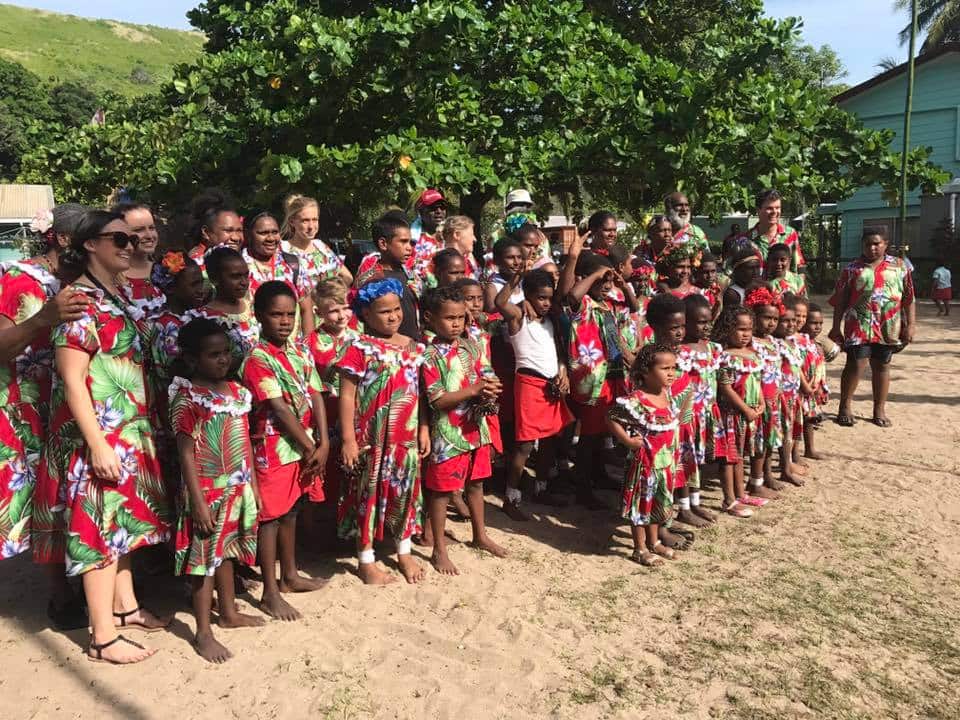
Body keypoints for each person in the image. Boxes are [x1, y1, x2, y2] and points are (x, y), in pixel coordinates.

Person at [46, 210, 173, 664]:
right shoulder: (80, 300)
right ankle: (102, 636)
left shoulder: (115, 295)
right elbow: (72, 379)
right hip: (98, 433)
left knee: (121, 528)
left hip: (127, 429)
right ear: (89, 246)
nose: (128, 244)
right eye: (116, 238)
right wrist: (97, 443)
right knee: (99, 531)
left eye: (130, 237)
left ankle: (125, 608)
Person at [170, 319, 263, 663]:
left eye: (226, 353)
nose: (223, 360)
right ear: (193, 360)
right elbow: (184, 452)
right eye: (213, 355)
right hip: (206, 492)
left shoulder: (237, 393)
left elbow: (245, 441)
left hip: (237, 487)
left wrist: (252, 483)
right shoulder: (187, 397)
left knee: (227, 552)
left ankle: (229, 612)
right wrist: (196, 502)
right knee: (204, 562)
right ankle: (203, 632)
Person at [19, 204, 91, 630]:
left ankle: (85, 580)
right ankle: (59, 594)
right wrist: (44, 319)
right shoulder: (19, 280)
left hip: (73, 404)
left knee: (74, 495)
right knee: (47, 501)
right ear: (63, 238)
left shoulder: (81, 281)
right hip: (31, 406)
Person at [241, 281, 329, 621]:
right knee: (271, 517)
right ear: (259, 316)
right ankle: (269, 590)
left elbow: (316, 392)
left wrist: (323, 440)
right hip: (274, 447)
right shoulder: (257, 358)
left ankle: (289, 575)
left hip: (303, 446)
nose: (284, 321)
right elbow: (277, 407)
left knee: (292, 508)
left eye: (290, 314)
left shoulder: (299, 350)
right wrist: (312, 447)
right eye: (275, 314)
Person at [339, 278, 429, 585]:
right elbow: (348, 395)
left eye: (396, 309)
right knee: (369, 495)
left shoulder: (414, 347)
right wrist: (349, 439)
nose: (393, 316)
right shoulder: (359, 348)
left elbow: (421, 394)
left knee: (405, 494)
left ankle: (404, 551)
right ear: (364, 314)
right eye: (384, 311)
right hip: (372, 441)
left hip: (406, 441)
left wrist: (425, 429)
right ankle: (366, 559)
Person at [421, 286, 506, 574]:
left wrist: (491, 389)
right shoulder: (429, 356)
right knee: (442, 491)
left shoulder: (470, 346)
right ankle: (438, 548)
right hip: (447, 433)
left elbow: (486, 373)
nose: (456, 323)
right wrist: (475, 389)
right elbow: (437, 399)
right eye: (449, 318)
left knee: (477, 482)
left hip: (475, 427)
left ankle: (480, 535)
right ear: (430, 319)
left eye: (461, 318)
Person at [495, 269, 573, 520]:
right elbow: (499, 303)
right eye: (540, 298)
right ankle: (511, 497)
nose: (546, 303)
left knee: (551, 438)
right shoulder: (520, 317)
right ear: (528, 295)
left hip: (552, 385)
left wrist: (562, 371)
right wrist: (515, 281)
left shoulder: (550, 321)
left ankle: (541, 488)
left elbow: (558, 353)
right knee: (525, 444)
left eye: (549, 298)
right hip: (529, 384)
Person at [563, 239, 630, 510]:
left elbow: (623, 328)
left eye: (608, 280)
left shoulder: (608, 305)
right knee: (589, 437)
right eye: (602, 279)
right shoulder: (584, 306)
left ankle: (598, 476)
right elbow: (572, 296)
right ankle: (583, 488)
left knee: (604, 433)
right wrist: (594, 274)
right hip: (593, 381)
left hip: (612, 376)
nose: (606, 284)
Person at [829, 228, 915, 428]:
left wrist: (911, 325)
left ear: (886, 244)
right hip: (858, 324)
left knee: (882, 365)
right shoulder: (851, 269)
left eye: (877, 243)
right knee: (856, 364)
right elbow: (840, 300)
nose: (872, 248)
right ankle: (845, 406)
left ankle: (879, 409)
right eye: (868, 244)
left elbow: (909, 298)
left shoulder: (900, 267)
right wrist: (835, 328)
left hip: (888, 325)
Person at [607, 343, 683, 566]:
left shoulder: (668, 396)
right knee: (642, 506)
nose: (671, 373)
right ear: (646, 372)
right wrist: (628, 441)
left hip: (665, 463)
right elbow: (611, 417)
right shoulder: (636, 400)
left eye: (673, 368)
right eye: (664, 368)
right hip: (646, 465)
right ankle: (639, 548)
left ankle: (654, 541)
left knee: (658, 504)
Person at [711, 305, 763, 519]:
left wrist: (761, 403)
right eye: (740, 329)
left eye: (749, 329)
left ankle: (741, 494)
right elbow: (725, 387)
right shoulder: (726, 357)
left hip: (748, 413)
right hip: (732, 414)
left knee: (740, 456)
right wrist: (745, 409)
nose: (745, 334)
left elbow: (756, 380)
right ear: (727, 329)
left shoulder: (752, 354)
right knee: (729, 458)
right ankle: (729, 499)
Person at [679, 294, 722, 524]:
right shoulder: (681, 351)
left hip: (705, 414)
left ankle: (695, 503)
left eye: (708, 321)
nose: (707, 326)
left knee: (698, 460)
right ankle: (684, 507)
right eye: (701, 322)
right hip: (688, 416)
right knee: (686, 460)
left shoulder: (712, 349)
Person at [743, 287, 791, 492]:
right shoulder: (750, 343)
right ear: (754, 316)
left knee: (771, 439)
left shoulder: (774, 342)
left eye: (775, 319)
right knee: (759, 442)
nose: (771, 323)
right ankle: (755, 482)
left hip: (774, 400)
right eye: (766, 318)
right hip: (758, 400)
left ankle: (767, 475)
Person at [187, 247, 260, 374]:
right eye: (235, 276)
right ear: (215, 279)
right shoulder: (204, 318)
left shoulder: (254, 305)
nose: (244, 282)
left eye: (246, 275)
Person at [242, 211, 315, 337]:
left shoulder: (292, 264)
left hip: (290, 350)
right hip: (251, 348)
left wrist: (308, 347)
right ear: (248, 235)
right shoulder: (238, 265)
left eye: (275, 232)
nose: (271, 238)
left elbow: (306, 309)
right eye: (263, 233)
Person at [354, 212, 421, 338]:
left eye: (410, 243)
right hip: (385, 349)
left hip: (413, 346)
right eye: (403, 242)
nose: (409, 248)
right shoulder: (371, 280)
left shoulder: (410, 274)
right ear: (383, 244)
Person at [773, 297, 813, 486]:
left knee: (788, 432)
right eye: (785, 320)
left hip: (793, 396)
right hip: (778, 397)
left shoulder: (792, 342)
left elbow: (796, 367)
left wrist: (805, 386)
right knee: (779, 434)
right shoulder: (774, 344)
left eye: (793, 320)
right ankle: (783, 468)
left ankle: (786, 467)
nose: (791, 324)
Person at [280, 194, 353, 286]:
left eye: (314, 220)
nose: (311, 226)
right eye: (305, 220)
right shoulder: (283, 250)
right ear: (292, 221)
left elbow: (347, 277)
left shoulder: (321, 247)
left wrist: (331, 294)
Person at [113, 202, 165, 318]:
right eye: (139, 230)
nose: (149, 235)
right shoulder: (112, 279)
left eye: (152, 228)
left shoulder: (167, 270)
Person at [732, 189, 805, 271]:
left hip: (785, 283)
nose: (774, 212)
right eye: (769, 208)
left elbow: (799, 266)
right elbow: (731, 271)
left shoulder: (790, 234)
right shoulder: (746, 240)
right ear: (758, 210)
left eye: (777, 208)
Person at [186, 189, 244, 278]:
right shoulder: (193, 267)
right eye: (228, 230)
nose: (236, 238)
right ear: (206, 232)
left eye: (239, 230)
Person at [410, 188, 447, 281]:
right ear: (421, 212)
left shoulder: (452, 236)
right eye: (433, 208)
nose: (439, 211)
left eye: (442, 207)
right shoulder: (410, 240)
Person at [483, 237, 525, 311]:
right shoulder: (493, 287)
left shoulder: (524, 281)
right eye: (510, 258)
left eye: (519, 257)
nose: (517, 262)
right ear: (497, 260)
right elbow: (494, 317)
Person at [438, 215, 481, 280]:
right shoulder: (437, 260)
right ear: (456, 235)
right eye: (471, 234)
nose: (474, 239)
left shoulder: (470, 260)